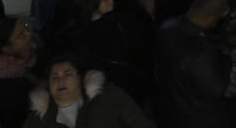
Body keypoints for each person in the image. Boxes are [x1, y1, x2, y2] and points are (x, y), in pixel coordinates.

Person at [154, 0, 230, 128]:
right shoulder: (200, 50)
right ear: (212, 17)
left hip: (170, 110)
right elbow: (216, 89)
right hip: (199, 116)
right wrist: (226, 61)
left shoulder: (166, 26)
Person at [24, 51, 154, 127]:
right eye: (54, 78)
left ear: (80, 78)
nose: (61, 81)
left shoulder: (110, 98)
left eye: (68, 74)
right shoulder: (38, 119)